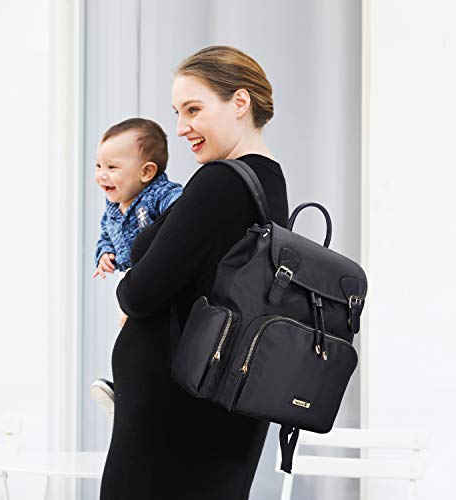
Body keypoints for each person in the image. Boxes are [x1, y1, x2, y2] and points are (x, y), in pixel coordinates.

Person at [99, 46, 289, 500]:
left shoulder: (220, 183)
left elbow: (142, 292)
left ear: (239, 102)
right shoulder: (269, 182)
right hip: (216, 416)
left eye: (193, 109)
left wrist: (125, 287)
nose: (181, 127)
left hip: (173, 424)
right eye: (177, 113)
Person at [91, 118, 183, 415]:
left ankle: (139, 394)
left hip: (156, 279)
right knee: (131, 338)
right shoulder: (112, 206)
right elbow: (106, 234)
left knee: (144, 337)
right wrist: (104, 254)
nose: (101, 175)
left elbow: (183, 208)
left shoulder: (157, 194)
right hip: (131, 280)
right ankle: (125, 391)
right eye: (98, 165)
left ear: (147, 172)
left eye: (112, 167)